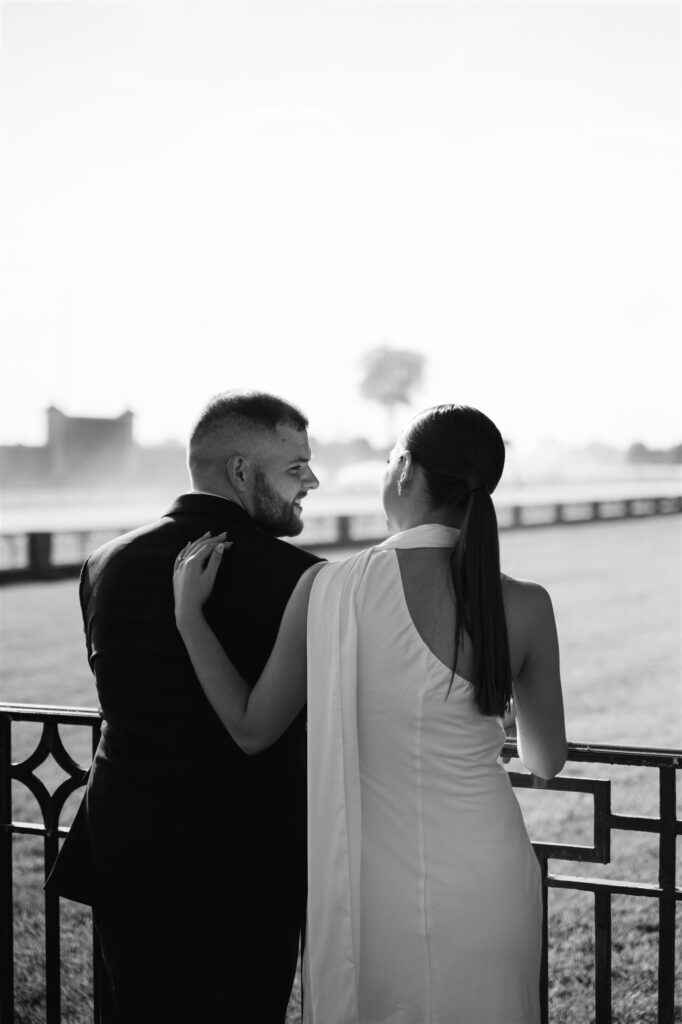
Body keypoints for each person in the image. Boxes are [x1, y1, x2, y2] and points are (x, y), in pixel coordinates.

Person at [173, 403, 567, 1024]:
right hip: (490, 880)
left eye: (389, 459)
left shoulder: (329, 588)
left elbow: (252, 729)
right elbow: (546, 759)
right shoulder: (524, 602)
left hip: (371, 892)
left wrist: (189, 618)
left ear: (405, 469)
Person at [46, 390, 323, 1023]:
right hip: (244, 858)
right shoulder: (301, 577)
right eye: (296, 466)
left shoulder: (103, 562)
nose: (312, 480)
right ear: (240, 473)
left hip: (125, 843)